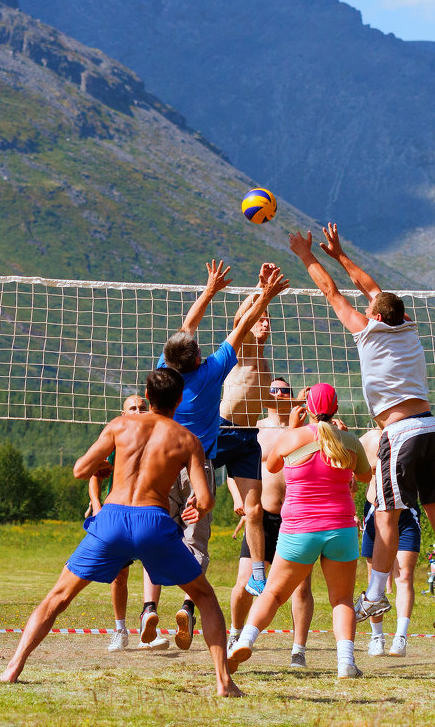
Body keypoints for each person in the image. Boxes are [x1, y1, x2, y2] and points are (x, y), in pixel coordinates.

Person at [0, 368, 241, 697]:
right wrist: (199, 505)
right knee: (205, 598)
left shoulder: (120, 425)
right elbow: (208, 499)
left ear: (147, 395)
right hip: (153, 522)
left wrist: (109, 467)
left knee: (57, 597)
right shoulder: (187, 439)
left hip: (111, 519)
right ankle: (223, 683)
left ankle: (13, 667)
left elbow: (80, 470)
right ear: (180, 400)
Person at [289, 223, 435, 630]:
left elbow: (332, 292)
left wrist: (307, 255)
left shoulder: (367, 332)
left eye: (370, 307)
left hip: (400, 432)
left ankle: (373, 596)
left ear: (373, 316)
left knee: (385, 513)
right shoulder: (406, 325)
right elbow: (374, 290)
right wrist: (340, 254)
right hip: (429, 426)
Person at [141, 260, 288, 650]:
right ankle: (188, 606)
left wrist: (210, 289)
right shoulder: (211, 373)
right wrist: (264, 292)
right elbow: (241, 326)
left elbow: (189, 328)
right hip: (197, 464)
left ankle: (148, 609)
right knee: (197, 542)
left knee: (156, 534)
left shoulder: (164, 372)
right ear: (196, 359)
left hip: (160, 463)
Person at [227, 383, 372, 679]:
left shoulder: (290, 438)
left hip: (298, 529)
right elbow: (365, 476)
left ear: (306, 405)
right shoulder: (349, 441)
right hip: (341, 528)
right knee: (341, 599)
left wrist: (290, 430)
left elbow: (270, 467)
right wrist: (343, 439)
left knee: (273, 594)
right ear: (335, 409)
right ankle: (345, 662)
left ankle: (243, 641)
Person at [228, 377, 315, 668]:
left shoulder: (305, 431)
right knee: (243, 583)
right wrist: (239, 499)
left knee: (302, 587)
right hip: (260, 517)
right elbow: (233, 469)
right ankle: (236, 635)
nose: (278, 393)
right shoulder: (256, 428)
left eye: (284, 390)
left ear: (292, 396)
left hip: (296, 516)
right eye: (273, 390)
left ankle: (298, 650)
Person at [218, 294, 282, 595]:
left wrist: (304, 402)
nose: (265, 321)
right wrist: (260, 289)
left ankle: (258, 576)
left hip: (246, 436)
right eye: (261, 317)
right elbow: (240, 319)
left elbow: (268, 401)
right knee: (189, 490)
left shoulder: (265, 361)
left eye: (269, 318)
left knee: (254, 510)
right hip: (221, 429)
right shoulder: (243, 347)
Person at [86, 395, 149, 652]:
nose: (137, 411)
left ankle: (149, 624)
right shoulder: (116, 440)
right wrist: (97, 505)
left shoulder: (159, 437)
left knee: (155, 568)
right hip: (117, 514)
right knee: (119, 576)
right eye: (132, 408)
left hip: (149, 514)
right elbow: (93, 472)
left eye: (142, 408)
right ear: (123, 415)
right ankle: (120, 630)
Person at [357, 428, 421, 658]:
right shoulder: (365, 439)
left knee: (404, 576)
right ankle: (377, 637)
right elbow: (354, 474)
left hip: (405, 510)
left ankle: (400, 637)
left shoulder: (412, 432)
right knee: (376, 578)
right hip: (375, 510)